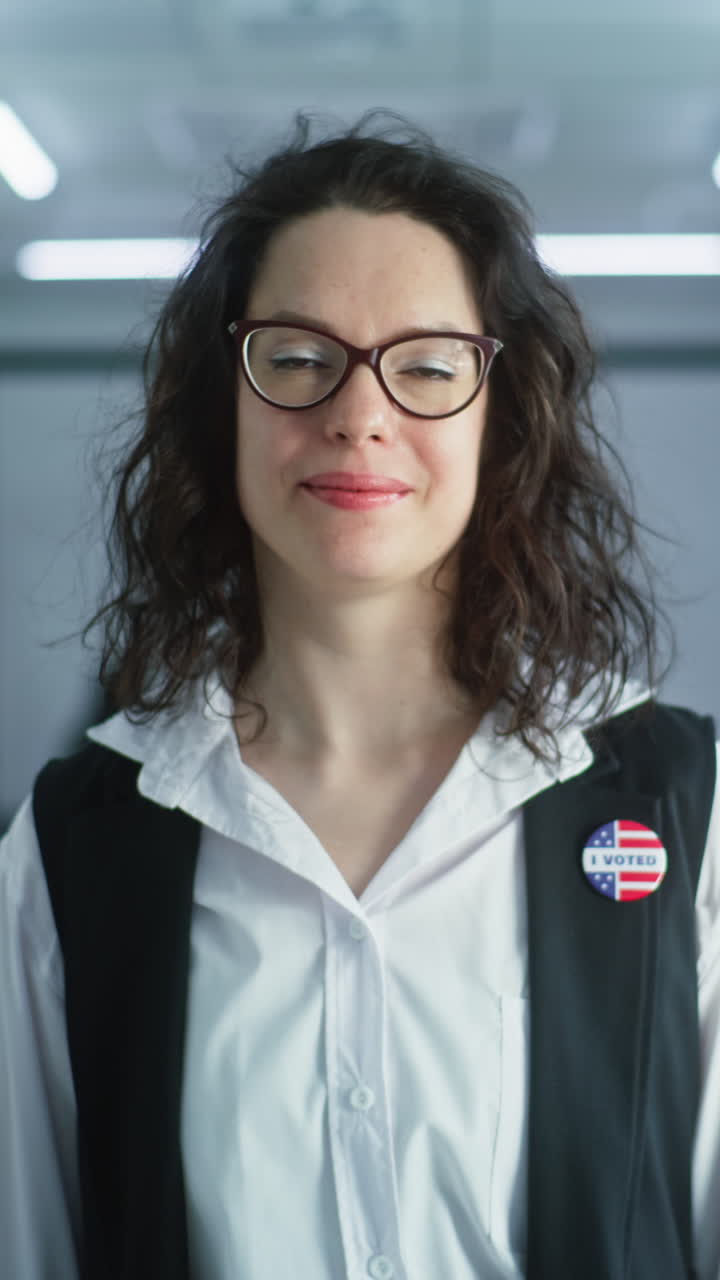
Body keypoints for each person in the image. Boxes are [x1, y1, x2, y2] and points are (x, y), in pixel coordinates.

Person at [1, 113, 719, 1280]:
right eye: (296, 358)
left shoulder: (686, 812)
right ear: (219, 403)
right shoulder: (73, 846)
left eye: (427, 364)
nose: (358, 411)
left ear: (502, 413)